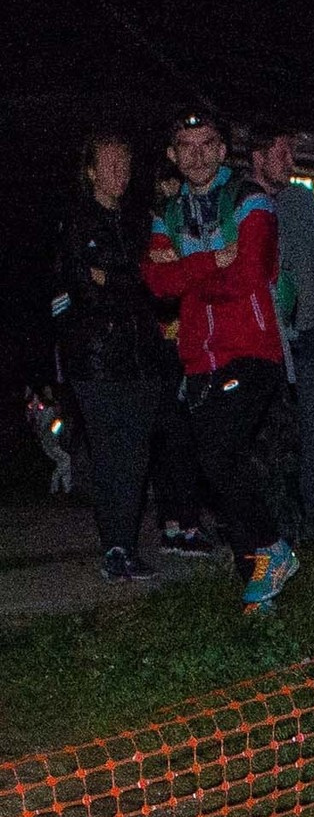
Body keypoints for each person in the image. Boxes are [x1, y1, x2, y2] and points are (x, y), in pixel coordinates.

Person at [142, 110, 298, 611]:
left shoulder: (250, 199)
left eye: (206, 143)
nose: (196, 154)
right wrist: (212, 260)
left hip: (253, 350)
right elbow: (156, 283)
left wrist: (186, 269)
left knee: (217, 452)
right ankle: (259, 590)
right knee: (219, 463)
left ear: (222, 149)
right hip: (197, 361)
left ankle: (273, 550)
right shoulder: (165, 214)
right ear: (171, 154)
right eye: (184, 146)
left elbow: (249, 272)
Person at [50, 131, 164, 582]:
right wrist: (128, 282)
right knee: (109, 453)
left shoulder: (140, 223)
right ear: (92, 170)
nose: (119, 172)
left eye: (125, 163)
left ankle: (127, 545)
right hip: (96, 360)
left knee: (135, 454)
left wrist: (115, 279)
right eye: (110, 163)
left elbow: (157, 280)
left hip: (141, 358)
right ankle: (113, 546)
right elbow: (80, 288)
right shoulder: (77, 222)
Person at [244, 121, 314, 541]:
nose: (291, 163)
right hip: (270, 339)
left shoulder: (298, 201)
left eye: (291, 154)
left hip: (305, 337)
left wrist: (305, 320)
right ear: (258, 156)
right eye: (282, 155)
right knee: (273, 434)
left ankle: (313, 524)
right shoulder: (247, 204)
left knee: (311, 431)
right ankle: (281, 527)